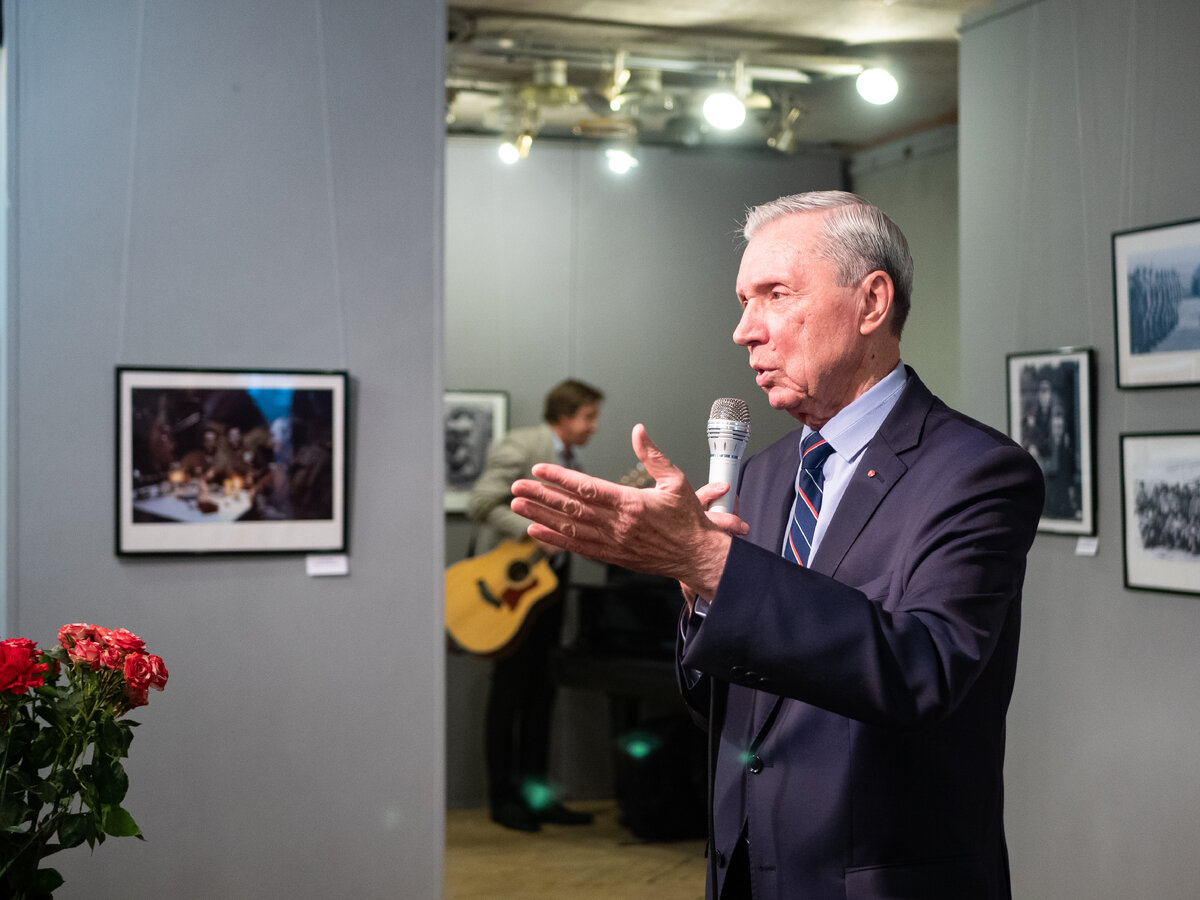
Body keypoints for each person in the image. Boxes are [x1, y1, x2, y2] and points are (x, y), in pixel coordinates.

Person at [509, 191, 1044, 899]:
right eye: (742, 300)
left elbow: (924, 671)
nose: (743, 331)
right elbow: (734, 702)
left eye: (774, 294)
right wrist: (700, 597)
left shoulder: (976, 472)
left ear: (872, 302)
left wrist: (705, 561)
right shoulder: (764, 474)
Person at [465, 378, 604, 833]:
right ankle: (504, 800)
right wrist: (532, 535)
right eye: (587, 416)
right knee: (509, 691)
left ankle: (537, 798)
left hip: (550, 588)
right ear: (563, 415)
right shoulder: (522, 444)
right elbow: (482, 501)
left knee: (543, 692)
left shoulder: (572, 459)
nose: (593, 426)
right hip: (509, 591)